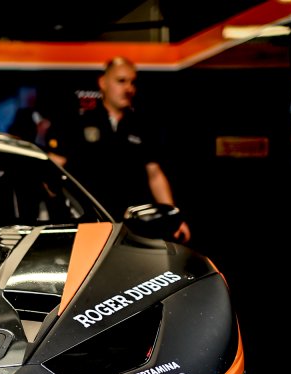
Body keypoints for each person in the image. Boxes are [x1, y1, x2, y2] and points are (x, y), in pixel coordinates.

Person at [47, 56, 190, 243]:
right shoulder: (76, 122)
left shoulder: (143, 125)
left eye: (132, 82)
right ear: (103, 83)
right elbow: (52, 172)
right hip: (88, 226)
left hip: (133, 227)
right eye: (121, 81)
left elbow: (155, 175)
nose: (128, 88)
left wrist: (172, 219)